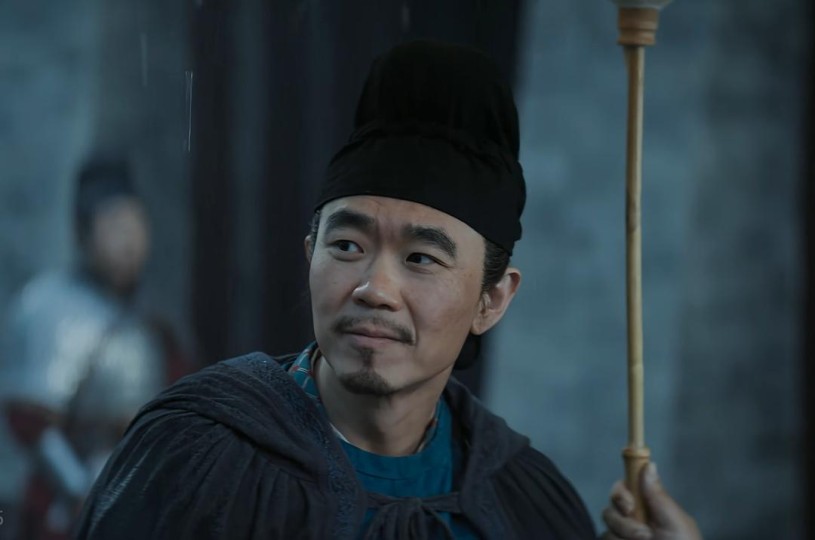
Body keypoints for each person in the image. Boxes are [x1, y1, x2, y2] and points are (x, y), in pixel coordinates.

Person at [75, 41, 698, 539]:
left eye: (422, 258)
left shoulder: (522, 499)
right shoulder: (197, 458)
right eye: (347, 246)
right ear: (309, 256)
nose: (375, 288)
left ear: (492, 300)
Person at [0, 158, 190, 540]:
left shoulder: (155, 320)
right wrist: (78, 488)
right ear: (84, 234)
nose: (129, 241)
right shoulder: (51, 308)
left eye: (136, 224)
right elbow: (30, 420)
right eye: (115, 226)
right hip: (70, 502)